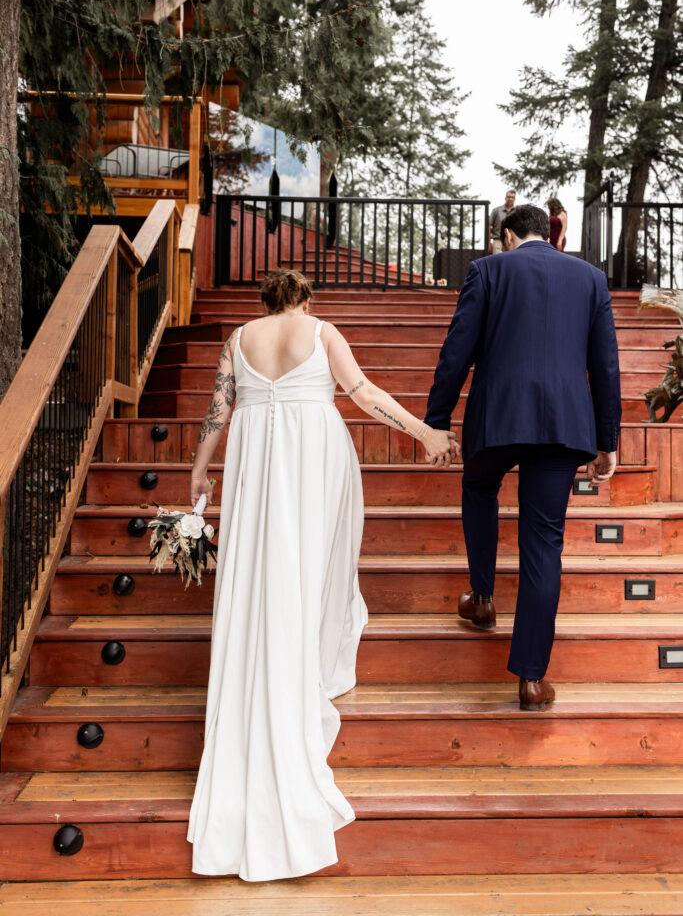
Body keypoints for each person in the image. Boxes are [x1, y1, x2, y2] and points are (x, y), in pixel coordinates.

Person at [187, 268, 454, 881]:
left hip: (258, 464)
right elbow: (362, 393)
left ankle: (265, 679)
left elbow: (219, 409)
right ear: (305, 299)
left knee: (261, 568)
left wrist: (199, 471)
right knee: (309, 566)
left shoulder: (238, 339)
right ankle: (300, 667)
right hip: (315, 460)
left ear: (264, 302)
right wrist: (423, 434)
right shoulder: (323, 330)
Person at [423, 204, 621, 711]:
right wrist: (608, 440)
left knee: (478, 487)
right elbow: (605, 364)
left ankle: (483, 599)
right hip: (563, 426)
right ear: (546, 233)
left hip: (499, 420)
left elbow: (457, 349)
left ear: (508, 235)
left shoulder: (487, 270)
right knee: (543, 545)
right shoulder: (591, 279)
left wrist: (438, 422)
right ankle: (532, 678)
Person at [489, 189, 516, 254]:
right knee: (497, 262)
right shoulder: (496, 210)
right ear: (505, 198)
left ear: (514, 199)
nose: (510, 199)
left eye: (512, 197)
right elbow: (489, 226)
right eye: (509, 197)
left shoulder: (517, 211)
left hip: (512, 242)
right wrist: (489, 243)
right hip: (498, 241)